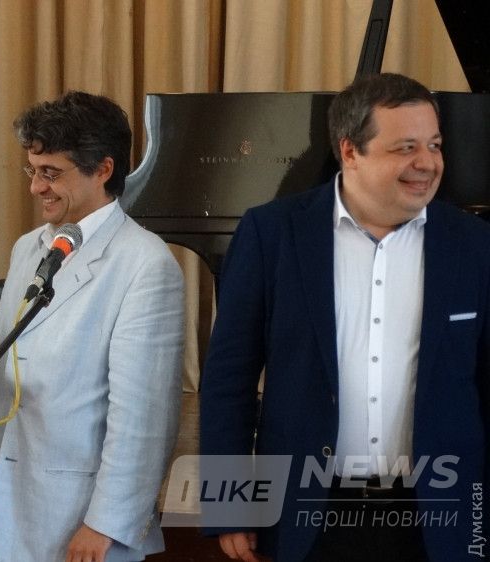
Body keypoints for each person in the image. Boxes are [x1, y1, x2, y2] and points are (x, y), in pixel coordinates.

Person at [200, 72, 490, 562]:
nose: (428, 162)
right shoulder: (272, 234)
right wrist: (229, 505)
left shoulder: (475, 245)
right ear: (351, 151)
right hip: (308, 512)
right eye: (406, 148)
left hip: (440, 515)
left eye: (434, 145)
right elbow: (229, 380)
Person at [0, 91, 185, 562]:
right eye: (32, 170)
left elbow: (144, 417)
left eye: (51, 173)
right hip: (5, 508)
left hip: (82, 524)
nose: (35, 188)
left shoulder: (145, 263)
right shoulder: (27, 248)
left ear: (103, 169)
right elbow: (2, 380)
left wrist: (105, 523)